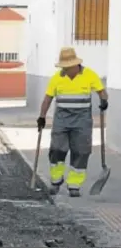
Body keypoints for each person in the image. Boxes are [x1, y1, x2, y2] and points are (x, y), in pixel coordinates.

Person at [37, 47, 108, 197]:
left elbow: (101, 91)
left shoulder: (89, 75)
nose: (67, 69)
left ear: (76, 64)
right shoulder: (57, 78)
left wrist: (104, 100)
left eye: (69, 67)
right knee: (57, 149)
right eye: (64, 67)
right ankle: (56, 181)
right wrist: (42, 116)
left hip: (82, 120)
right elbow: (48, 98)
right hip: (62, 120)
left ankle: (74, 185)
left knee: (81, 152)